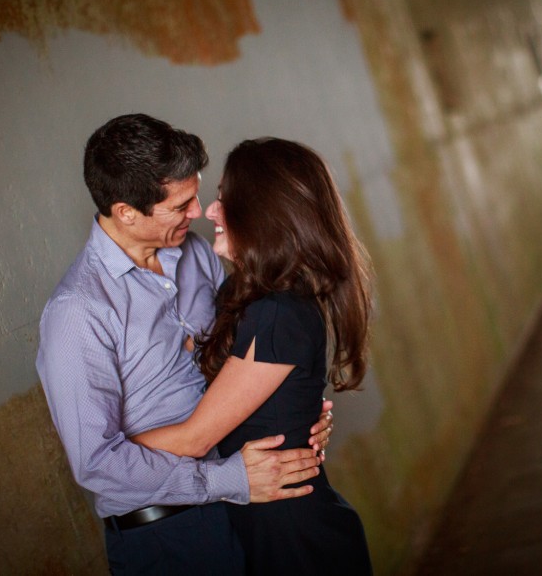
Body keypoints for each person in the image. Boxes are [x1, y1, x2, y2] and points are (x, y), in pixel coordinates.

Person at [36, 115, 335, 574]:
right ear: (126, 212)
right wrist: (226, 479)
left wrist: (298, 414)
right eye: (180, 206)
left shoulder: (197, 255)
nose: (197, 212)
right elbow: (96, 463)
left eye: (196, 196)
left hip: (248, 508)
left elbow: (248, 363)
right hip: (169, 537)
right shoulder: (78, 312)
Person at [132, 137, 374, 575]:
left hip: (295, 541)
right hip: (259, 530)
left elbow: (194, 440)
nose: (209, 212)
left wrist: (105, 450)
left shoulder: (278, 311)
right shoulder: (244, 293)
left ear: (264, 214)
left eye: (225, 201)